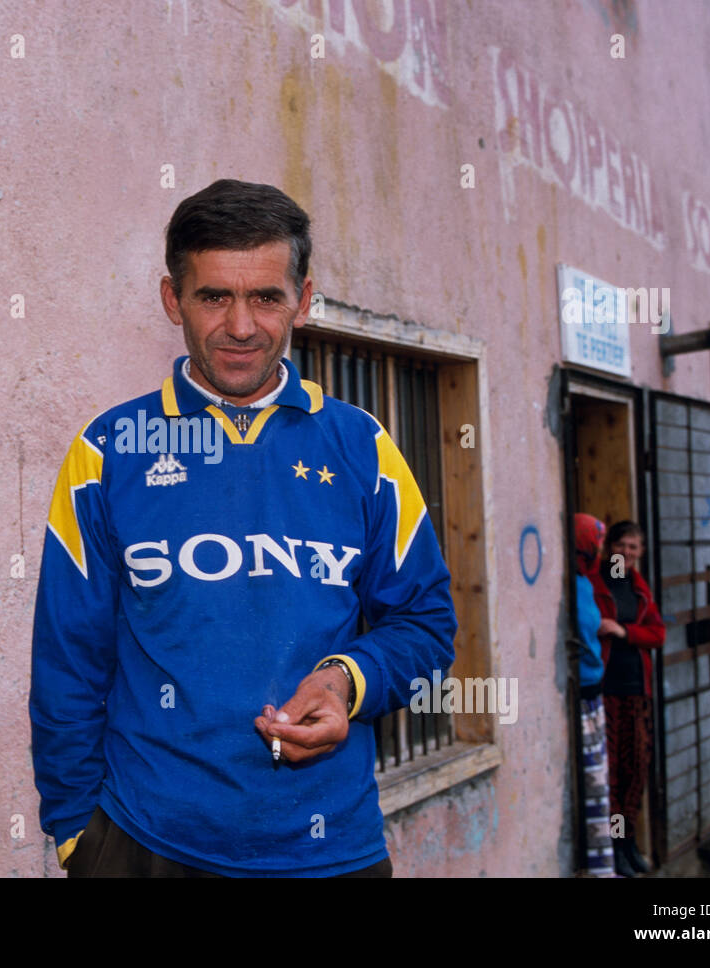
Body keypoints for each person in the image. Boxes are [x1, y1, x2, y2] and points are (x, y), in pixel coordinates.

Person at [29, 179, 457, 877]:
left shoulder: (363, 448)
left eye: (265, 296)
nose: (240, 325)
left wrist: (348, 679)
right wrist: (79, 835)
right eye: (213, 296)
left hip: (332, 851)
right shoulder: (108, 451)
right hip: (144, 848)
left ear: (303, 299)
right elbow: (68, 662)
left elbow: (427, 624)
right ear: (173, 299)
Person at [589, 519, 665, 877]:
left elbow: (658, 633)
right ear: (609, 548)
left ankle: (627, 841)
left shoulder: (638, 586)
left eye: (634, 547)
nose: (627, 553)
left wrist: (623, 630)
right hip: (607, 690)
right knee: (612, 772)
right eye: (621, 545)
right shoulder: (595, 581)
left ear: (641, 553)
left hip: (636, 689)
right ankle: (613, 848)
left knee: (635, 768)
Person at [572, 513, 615, 877]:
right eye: (597, 542)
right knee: (590, 784)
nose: (601, 550)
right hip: (580, 695)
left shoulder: (585, 583)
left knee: (599, 782)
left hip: (593, 694)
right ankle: (598, 870)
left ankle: (605, 864)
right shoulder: (569, 584)